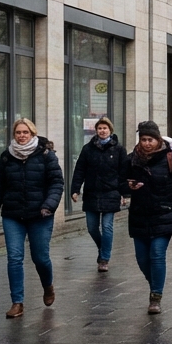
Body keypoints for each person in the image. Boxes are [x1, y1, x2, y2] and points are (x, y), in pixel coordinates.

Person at [0, 118, 64, 319]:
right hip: (13, 216)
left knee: (40, 258)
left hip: (40, 215)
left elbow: (56, 183)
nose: (21, 135)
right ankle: (17, 302)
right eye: (18, 132)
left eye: (25, 132)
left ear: (32, 134)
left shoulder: (46, 155)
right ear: (14, 135)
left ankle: (48, 286)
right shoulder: (6, 157)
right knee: (14, 258)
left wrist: (48, 205)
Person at [125, 121, 172, 315]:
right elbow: (120, 181)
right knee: (142, 258)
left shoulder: (171, 158)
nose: (147, 143)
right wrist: (127, 187)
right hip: (139, 215)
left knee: (156, 254)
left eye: (150, 139)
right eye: (143, 139)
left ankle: (156, 296)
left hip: (164, 213)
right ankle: (154, 283)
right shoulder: (132, 160)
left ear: (158, 140)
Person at [70, 116, 127, 273]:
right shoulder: (87, 149)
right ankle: (103, 248)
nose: (102, 131)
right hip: (92, 193)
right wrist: (75, 189)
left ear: (110, 130)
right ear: (96, 131)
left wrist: (125, 194)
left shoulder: (119, 150)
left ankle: (104, 259)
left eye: (105, 128)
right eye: (100, 128)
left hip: (111, 192)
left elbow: (123, 173)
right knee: (92, 227)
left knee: (107, 226)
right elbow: (79, 170)